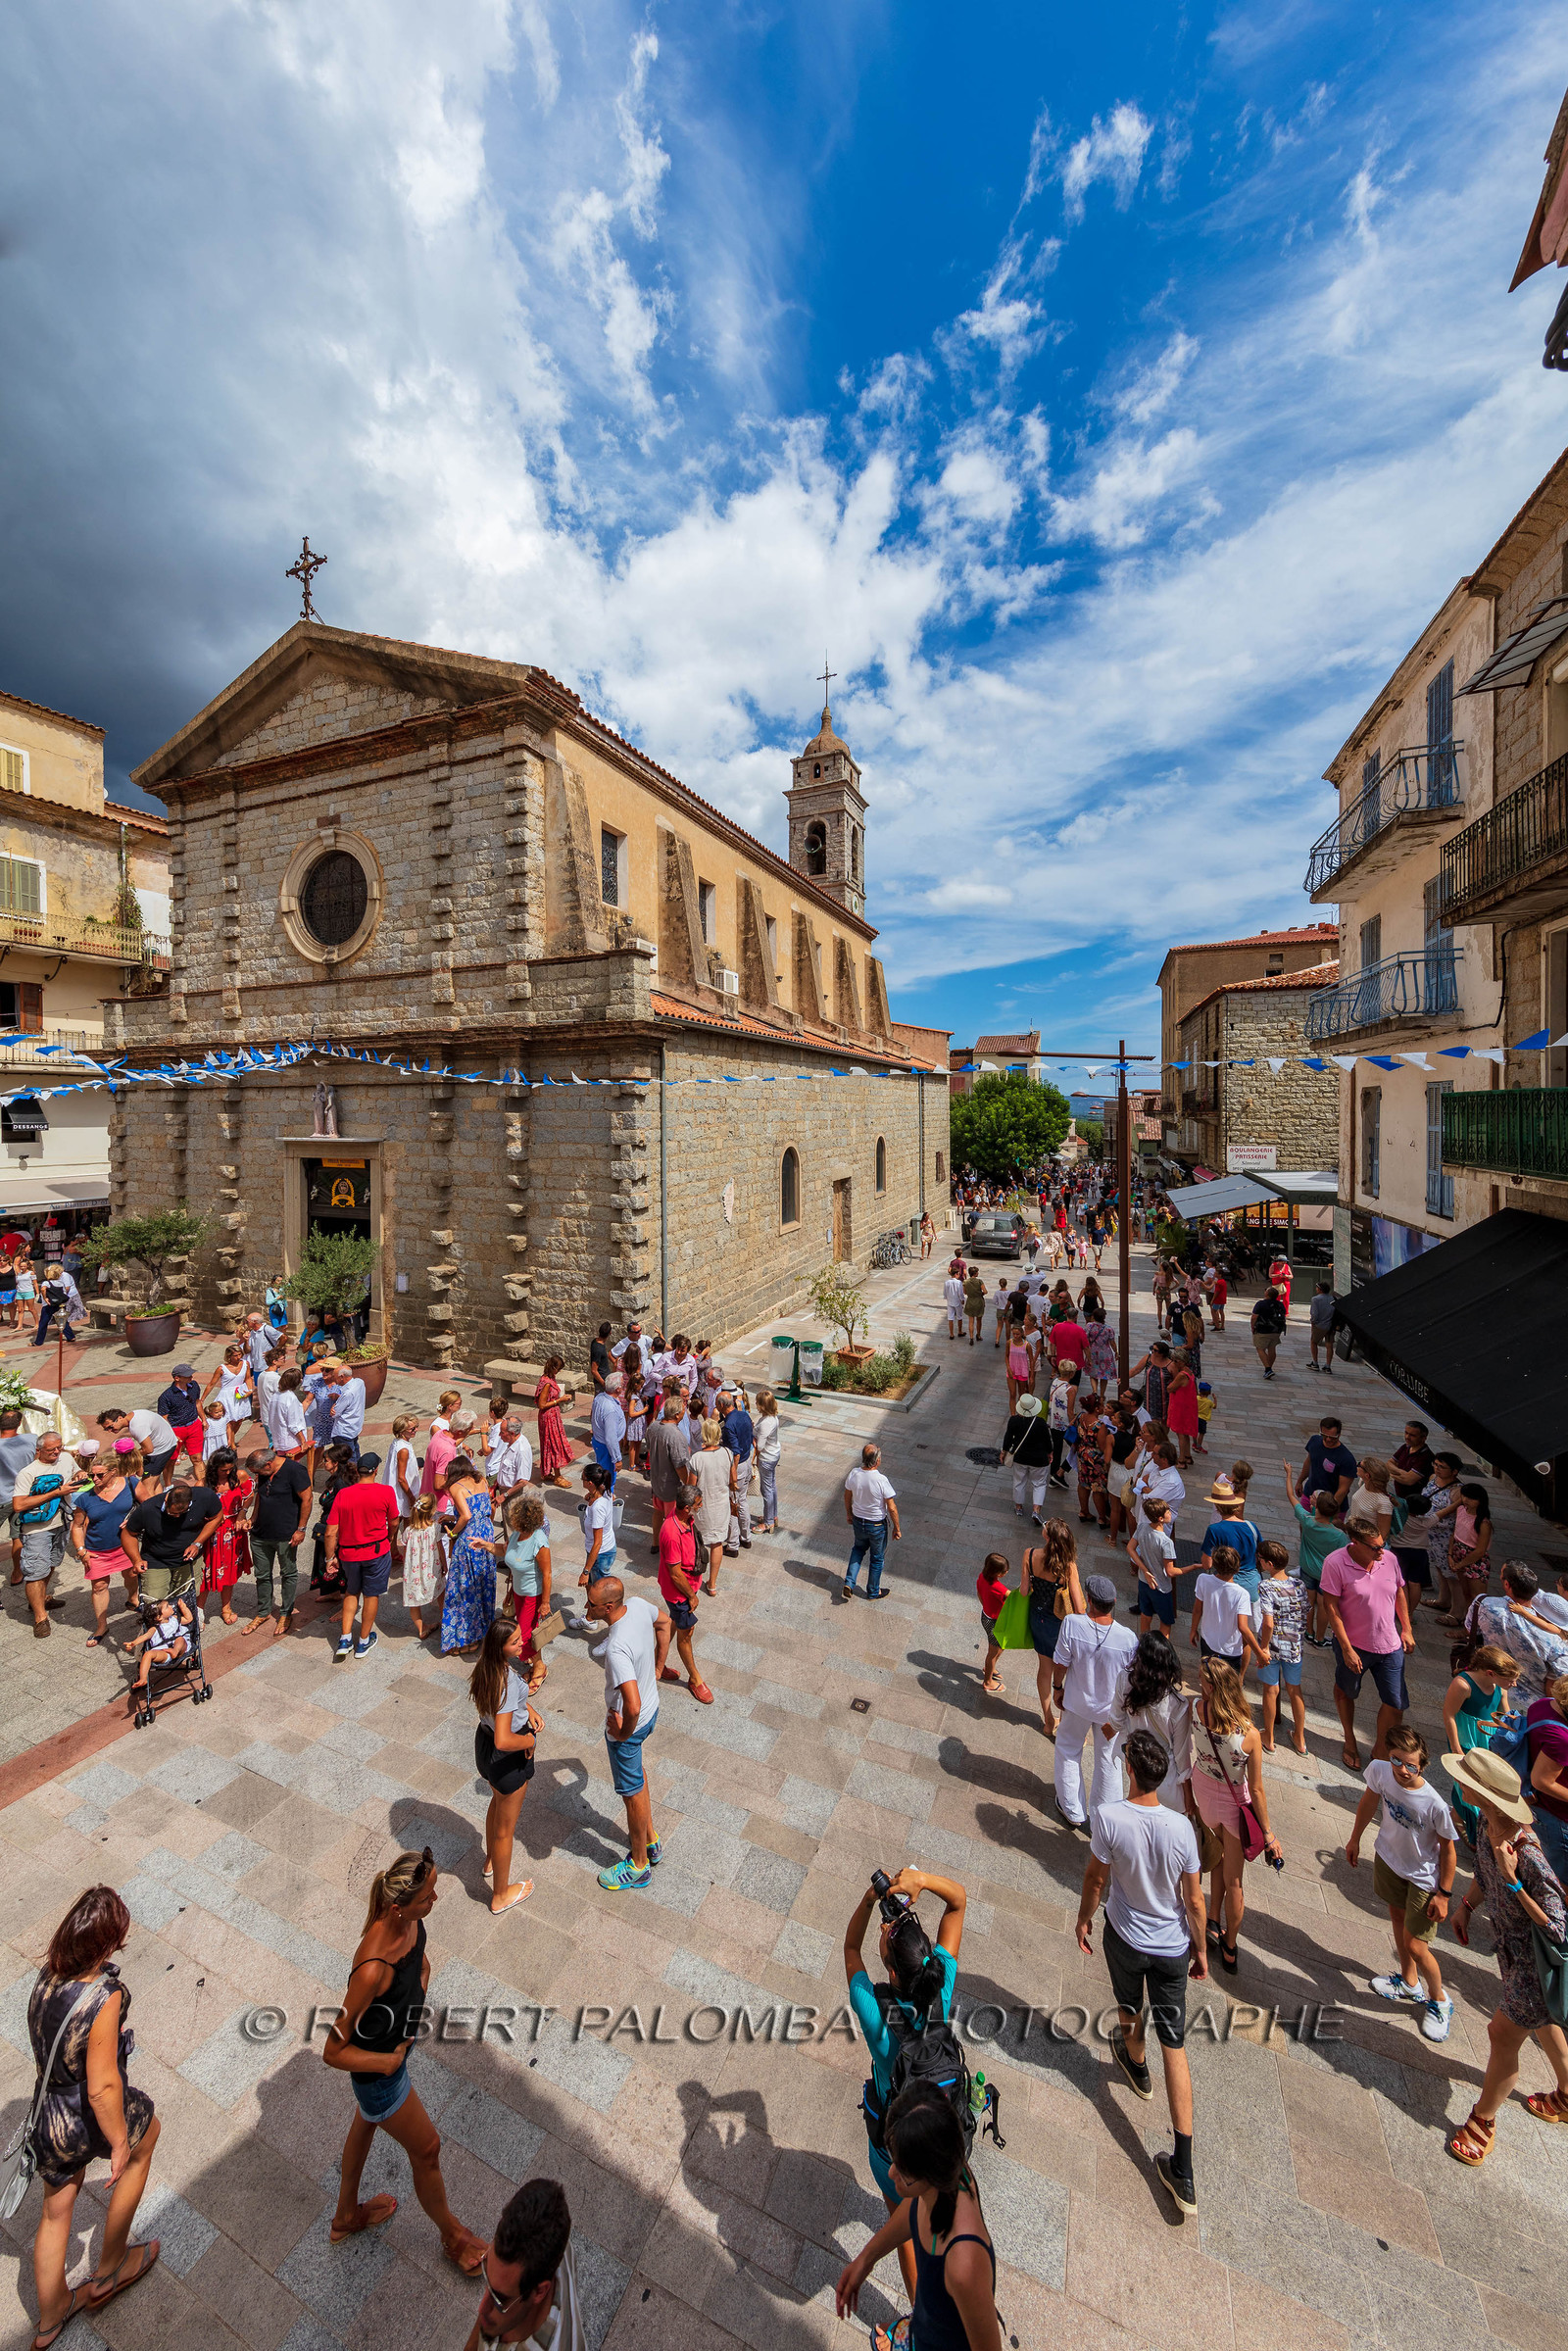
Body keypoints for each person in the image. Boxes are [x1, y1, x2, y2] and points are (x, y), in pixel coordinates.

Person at [322, 1848, 485, 2271]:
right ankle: (453, 2238)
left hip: (393, 2053)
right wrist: (387, 2064)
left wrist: (415, 2009)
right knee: (427, 2149)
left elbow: (421, 1965)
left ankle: (344, 2217)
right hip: (379, 2073)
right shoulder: (371, 1969)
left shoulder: (410, 1922)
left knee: (367, 2120)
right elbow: (333, 2050)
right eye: (428, 1897)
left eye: (433, 1891)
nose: (435, 1901)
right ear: (398, 1909)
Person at [1077, 1726, 1206, 2215]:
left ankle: (1135, 2063)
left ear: (1130, 1771)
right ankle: (1184, 2168)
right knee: (1178, 2046)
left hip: (1125, 1938)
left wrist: (1084, 1916)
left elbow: (1096, 1878)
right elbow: (1194, 1901)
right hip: (1173, 1947)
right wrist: (1202, 1951)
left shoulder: (1109, 1819)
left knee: (1129, 2006)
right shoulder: (1181, 1829)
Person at [26, 1886, 161, 2350]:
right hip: (83, 2114)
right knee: (147, 2140)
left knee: (54, 2211)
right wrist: (121, 2143)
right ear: (104, 1944)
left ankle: (50, 2319)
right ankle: (110, 2267)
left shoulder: (48, 1975)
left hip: (49, 2118)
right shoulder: (102, 1997)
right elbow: (103, 2087)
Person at [842, 1865, 968, 2311]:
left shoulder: (875, 2015)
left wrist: (867, 1900)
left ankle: (919, 2321)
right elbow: (958, 1901)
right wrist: (923, 1881)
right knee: (933, 2214)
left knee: (904, 2226)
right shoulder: (942, 1983)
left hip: (893, 2152)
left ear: (892, 1973)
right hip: (944, 2133)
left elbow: (851, 1947)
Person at [1445, 1747, 1568, 2159]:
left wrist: (1515, 1882)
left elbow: (1558, 1928)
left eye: (1465, 1777)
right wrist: (1466, 1906)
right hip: (1511, 1953)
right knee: (1541, 2022)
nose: (1459, 1781)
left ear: (1483, 1792)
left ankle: (1484, 2120)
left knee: (1501, 2033)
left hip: (1534, 1963)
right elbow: (1484, 1874)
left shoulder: (1526, 1851)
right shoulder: (1484, 1824)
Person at [836, 2088, 999, 2351]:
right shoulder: (948, 2171)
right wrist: (866, 2259)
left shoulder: (964, 2267)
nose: (891, 2173)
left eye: (902, 2170)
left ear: (929, 2175)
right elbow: (916, 2207)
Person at [1346, 1725, 1456, 2042]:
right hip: (1390, 1861)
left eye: (1411, 1765)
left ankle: (1439, 2000)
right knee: (1395, 1917)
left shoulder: (1433, 1803)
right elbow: (1368, 1802)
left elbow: (1448, 1849)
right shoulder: (1380, 1771)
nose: (1403, 1771)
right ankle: (1410, 1983)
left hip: (1423, 1879)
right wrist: (1355, 1839)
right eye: (1397, 1761)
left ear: (1422, 1765)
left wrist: (1444, 1894)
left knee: (1416, 1945)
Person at [1191, 1658, 1282, 1973]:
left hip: (1203, 1794)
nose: (1198, 1683)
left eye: (1202, 1680)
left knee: (1216, 1859)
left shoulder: (1196, 1710)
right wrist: (1268, 1834)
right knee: (1235, 1881)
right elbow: (1255, 1789)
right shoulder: (1249, 1735)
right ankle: (1230, 1948)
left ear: (1212, 1687)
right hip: (1233, 1807)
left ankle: (1212, 1921)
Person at [584, 1574, 669, 1891]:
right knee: (638, 1778)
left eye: (591, 1605)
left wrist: (622, 1732)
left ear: (607, 1607)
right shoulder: (637, 1605)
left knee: (631, 1794)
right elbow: (665, 1624)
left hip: (632, 1724)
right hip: (653, 1710)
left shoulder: (617, 1647)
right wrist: (659, 1667)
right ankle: (651, 1841)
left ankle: (638, 1865)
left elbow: (630, 1705)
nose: (586, 1607)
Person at [1322, 1518, 1415, 1767]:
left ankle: (1380, 1749)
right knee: (1346, 1691)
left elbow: (1399, 1592)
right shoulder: (1335, 1563)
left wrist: (1406, 1629)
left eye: (1382, 1545)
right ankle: (1350, 1739)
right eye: (1375, 1547)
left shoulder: (1389, 1560)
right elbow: (1331, 1608)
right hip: (1354, 1646)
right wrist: (1347, 1649)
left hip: (1390, 1644)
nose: (1381, 1551)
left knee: (1395, 1704)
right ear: (1356, 1543)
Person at [1052, 1573, 1139, 1831]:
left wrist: (1058, 1688)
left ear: (1089, 1600)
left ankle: (1072, 1811)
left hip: (1077, 1703)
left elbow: (1060, 1663)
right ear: (1114, 1602)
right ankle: (1104, 1820)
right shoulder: (1128, 1638)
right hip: (1110, 1713)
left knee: (1068, 1749)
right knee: (1108, 1761)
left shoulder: (1072, 1624)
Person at [468, 1616, 538, 1913]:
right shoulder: (507, 1680)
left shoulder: (487, 1665)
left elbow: (504, 1706)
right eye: (515, 1641)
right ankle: (500, 1894)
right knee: (505, 1831)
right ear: (501, 1647)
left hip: (483, 1747)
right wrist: (529, 1742)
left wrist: (528, 1708)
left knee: (496, 1803)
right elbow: (504, 1739)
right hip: (506, 1755)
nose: (522, 1642)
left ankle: (489, 1859)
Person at [463, 2178, 581, 2351]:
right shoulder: (553, 2249)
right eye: (486, 2274)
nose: (482, 2307)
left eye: (500, 2299)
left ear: (540, 2291)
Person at [1102, 1631, 1194, 1811]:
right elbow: (1182, 1758)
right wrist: (1189, 1798)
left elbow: (1116, 1721)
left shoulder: (1125, 1679)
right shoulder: (1177, 1704)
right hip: (1165, 1781)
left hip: (1137, 1769)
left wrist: (1109, 1729)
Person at [324, 1450, 401, 1661]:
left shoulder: (344, 1494)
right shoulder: (386, 1492)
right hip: (376, 1551)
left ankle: (345, 1638)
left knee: (351, 1592)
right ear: (376, 1470)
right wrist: (389, 1538)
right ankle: (364, 1641)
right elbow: (394, 1521)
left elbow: (331, 1531)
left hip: (349, 1554)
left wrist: (330, 1558)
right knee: (371, 1595)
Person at [1468, 1561, 1568, 1706]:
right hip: (1530, 1707)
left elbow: (1470, 1630)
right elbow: (1557, 1686)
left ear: (1507, 1585)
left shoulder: (1483, 1604)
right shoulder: (1556, 1644)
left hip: (1485, 1689)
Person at [69, 1450, 140, 1645]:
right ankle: (102, 1625)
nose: (95, 1479)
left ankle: (133, 1598)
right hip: (97, 1550)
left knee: (132, 1575)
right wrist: (81, 1550)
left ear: (113, 1472)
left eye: (100, 1475)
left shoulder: (131, 1483)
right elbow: (76, 1526)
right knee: (99, 1586)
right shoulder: (85, 1498)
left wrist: (134, 1521)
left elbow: (148, 1504)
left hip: (126, 1545)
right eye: (93, 1475)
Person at [242, 1443, 312, 1639]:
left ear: (269, 1464)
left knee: (288, 1573)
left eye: (257, 1471)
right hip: (260, 1535)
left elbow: (307, 1499)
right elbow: (260, 1498)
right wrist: (252, 1519)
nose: (257, 1475)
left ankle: (285, 1612)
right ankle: (263, 1612)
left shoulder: (295, 1470)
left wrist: (301, 1529)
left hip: (286, 1535)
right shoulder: (264, 1473)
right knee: (262, 1575)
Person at [1023, 1520, 1085, 1737]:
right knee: (1066, 1673)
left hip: (1037, 1619)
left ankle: (1048, 1721)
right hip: (1060, 1626)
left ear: (1047, 1537)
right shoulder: (1068, 1567)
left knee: (1044, 1669)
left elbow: (1023, 1592)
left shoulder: (1030, 1555)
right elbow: (1078, 1607)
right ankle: (1067, 1722)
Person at [11, 1432, 73, 1639]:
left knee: (50, 1564)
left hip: (61, 1524)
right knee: (35, 1571)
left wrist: (81, 1474)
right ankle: (40, 1617)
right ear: (38, 1450)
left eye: (59, 1447)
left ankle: (42, 1597)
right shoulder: (28, 1473)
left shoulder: (66, 1458)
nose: (57, 1452)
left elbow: (77, 1470)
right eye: (51, 1450)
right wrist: (55, 1493)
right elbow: (18, 1504)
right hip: (37, 1530)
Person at [657, 1486, 712, 1704]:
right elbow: (675, 1573)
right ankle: (695, 1679)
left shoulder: (683, 1518)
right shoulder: (671, 1533)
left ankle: (656, 1665)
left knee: (673, 1623)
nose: (701, 1506)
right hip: (679, 1592)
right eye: (699, 1503)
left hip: (687, 1586)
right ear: (687, 1507)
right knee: (685, 1634)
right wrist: (691, 1596)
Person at [1253, 1539, 1306, 1754]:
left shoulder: (1266, 1586)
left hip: (1273, 1646)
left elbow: (1267, 1622)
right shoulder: (1299, 1584)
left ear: (1269, 1564)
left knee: (1271, 1689)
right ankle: (1300, 1739)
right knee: (1295, 1691)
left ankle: (1269, 1738)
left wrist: (1263, 1647)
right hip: (1294, 1646)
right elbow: (1305, 1610)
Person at [441, 1454, 496, 1657]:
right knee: (483, 1583)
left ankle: (470, 1638)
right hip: (486, 1533)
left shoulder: (456, 1487)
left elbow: (466, 1515)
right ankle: (485, 1627)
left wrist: (453, 1532)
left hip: (470, 1539)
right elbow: (486, 1508)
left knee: (466, 1588)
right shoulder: (481, 1480)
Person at [1282, 1460, 1341, 1647]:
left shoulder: (1306, 1521)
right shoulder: (1339, 1535)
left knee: (1308, 1601)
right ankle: (1321, 1638)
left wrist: (1289, 1474)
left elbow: (1291, 1495)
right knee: (1325, 1605)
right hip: (1327, 1574)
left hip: (1307, 1569)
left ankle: (1308, 1631)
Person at [198, 1446, 252, 1625]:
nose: (228, 1472)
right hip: (211, 1533)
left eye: (230, 1469)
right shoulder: (203, 1484)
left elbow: (250, 1494)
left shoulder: (240, 1476)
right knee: (206, 1571)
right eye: (223, 1470)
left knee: (229, 1571)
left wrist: (242, 1515)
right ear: (215, 1467)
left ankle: (226, 1607)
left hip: (233, 1532)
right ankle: (198, 1611)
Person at [843, 1441, 900, 1600]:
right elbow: (892, 1507)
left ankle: (849, 1581)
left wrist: (849, 1513)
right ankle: (873, 1591)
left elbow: (847, 1495)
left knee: (858, 1549)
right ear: (877, 1461)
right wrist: (897, 1528)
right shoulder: (881, 1480)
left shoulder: (854, 1473)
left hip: (858, 1521)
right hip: (876, 1526)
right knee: (876, 1558)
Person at [1525, 1671, 1568, 1883]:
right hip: (1556, 1816)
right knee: (1560, 1879)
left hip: (1543, 1810)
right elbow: (1541, 1781)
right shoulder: (1561, 1738)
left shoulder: (1545, 1703)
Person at [687, 1415, 736, 1597]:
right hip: (721, 1504)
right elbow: (733, 1479)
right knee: (717, 1543)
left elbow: (691, 1487)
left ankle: (692, 1578)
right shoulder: (728, 1454)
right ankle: (713, 1584)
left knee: (695, 1541)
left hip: (702, 1506)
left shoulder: (697, 1458)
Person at [1128, 1494, 1178, 1641]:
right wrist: (1192, 1567)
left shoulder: (1142, 1527)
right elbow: (1170, 1571)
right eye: (1168, 1511)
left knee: (1145, 1614)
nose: (1170, 1513)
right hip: (1161, 1586)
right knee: (1166, 1622)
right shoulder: (1166, 1542)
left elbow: (1130, 1549)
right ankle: (1162, 1650)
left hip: (1144, 1581)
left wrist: (1144, 1569)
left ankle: (1144, 1644)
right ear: (1160, 1519)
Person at [401, 1494, 447, 1643]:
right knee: (441, 1593)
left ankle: (421, 1629)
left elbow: (406, 1549)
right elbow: (440, 1549)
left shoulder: (408, 1531)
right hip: (432, 1569)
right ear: (432, 1511)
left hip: (413, 1571)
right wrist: (444, 1565)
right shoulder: (435, 1528)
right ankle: (444, 1620)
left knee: (414, 1601)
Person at [1000, 1393, 1054, 1523]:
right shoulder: (1040, 1423)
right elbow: (1047, 1441)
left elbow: (1007, 1438)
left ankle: (1019, 1507)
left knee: (1019, 1481)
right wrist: (1050, 1452)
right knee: (1039, 1484)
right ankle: (1036, 1510)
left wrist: (1004, 1452)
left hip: (1020, 1457)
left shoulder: (1013, 1421)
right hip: (1039, 1459)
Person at [126, 1592, 194, 1693]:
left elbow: (189, 1619)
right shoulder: (154, 1629)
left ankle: (175, 1651)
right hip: (163, 1651)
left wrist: (183, 1607)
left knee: (180, 1639)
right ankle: (143, 1678)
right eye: (167, 1606)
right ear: (159, 1617)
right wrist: (133, 1643)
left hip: (179, 1647)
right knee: (148, 1654)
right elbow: (146, 1636)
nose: (171, 1606)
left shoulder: (174, 1619)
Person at [1298, 1415, 1355, 1514]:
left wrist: (1329, 1510)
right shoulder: (1314, 1441)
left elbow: (1343, 1490)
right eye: (1324, 1435)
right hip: (1309, 1495)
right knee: (1305, 1526)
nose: (1328, 1439)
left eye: (1332, 1437)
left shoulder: (1347, 1459)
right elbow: (1308, 1462)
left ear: (1339, 1435)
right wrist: (1300, 1481)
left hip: (1331, 1505)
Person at [534, 1356, 574, 1487]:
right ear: (553, 1367)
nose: (559, 1371)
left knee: (549, 1444)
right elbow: (541, 1404)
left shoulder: (549, 1378)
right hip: (548, 1417)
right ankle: (557, 1476)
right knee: (554, 1444)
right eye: (558, 1368)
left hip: (552, 1415)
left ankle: (546, 1472)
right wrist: (559, 1400)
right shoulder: (546, 1383)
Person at [157, 1365, 204, 1470]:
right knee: (171, 1461)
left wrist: (204, 1420)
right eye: (187, 1376)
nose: (191, 1377)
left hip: (194, 1425)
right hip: (176, 1429)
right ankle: (168, 1485)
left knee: (197, 1458)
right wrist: (171, 1434)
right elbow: (163, 1418)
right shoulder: (166, 1396)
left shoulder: (194, 1385)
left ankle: (202, 1484)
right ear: (177, 1378)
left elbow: (197, 1403)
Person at [977, 1550, 1010, 1695]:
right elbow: (1013, 1599)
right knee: (993, 1651)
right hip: (995, 1622)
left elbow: (979, 1593)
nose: (1006, 1572)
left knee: (1001, 1645)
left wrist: (986, 1605)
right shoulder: (999, 1588)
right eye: (1004, 1571)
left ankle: (990, 1667)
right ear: (998, 1574)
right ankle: (988, 1682)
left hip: (986, 1616)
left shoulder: (981, 1577)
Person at [32, 1261, 84, 1347]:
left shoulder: (46, 1283)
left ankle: (38, 1341)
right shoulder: (61, 1283)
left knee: (43, 1323)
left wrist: (45, 1298)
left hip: (48, 1305)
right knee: (63, 1321)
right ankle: (70, 1336)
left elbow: (43, 1289)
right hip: (59, 1304)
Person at [754, 1387, 781, 1534]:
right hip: (774, 1454)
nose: (756, 1405)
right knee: (772, 1485)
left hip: (766, 1458)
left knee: (766, 1490)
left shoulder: (765, 1423)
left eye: (757, 1403)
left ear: (763, 1406)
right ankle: (773, 1515)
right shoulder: (773, 1418)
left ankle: (768, 1522)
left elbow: (760, 1446)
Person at [1250, 1282, 1286, 1379]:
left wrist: (1252, 1327)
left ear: (1267, 1294)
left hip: (1263, 1330)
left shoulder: (1261, 1304)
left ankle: (1268, 1368)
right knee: (1272, 1348)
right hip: (1276, 1330)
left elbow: (1254, 1317)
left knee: (1260, 1348)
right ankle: (1269, 1367)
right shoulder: (1280, 1305)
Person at [1307, 1278, 1338, 1373]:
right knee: (1329, 1345)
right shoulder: (1333, 1298)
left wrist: (1313, 1322)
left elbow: (1315, 1314)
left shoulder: (1315, 1299)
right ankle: (1328, 1366)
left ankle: (1315, 1363)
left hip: (1319, 1325)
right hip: (1331, 1325)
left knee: (1313, 1342)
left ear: (1320, 1290)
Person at [943, 1264, 965, 1342]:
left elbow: (945, 1292)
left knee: (950, 1318)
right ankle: (960, 1331)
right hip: (957, 1301)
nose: (959, 1275)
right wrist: (962, 1299)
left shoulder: (946, 1282)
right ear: (956, 1274)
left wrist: (946, 1298)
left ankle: (951, 1333)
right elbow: (960, 1293)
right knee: (959, 1316)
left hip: (950, 1301)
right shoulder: (959, 1283)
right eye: (958, 1274)